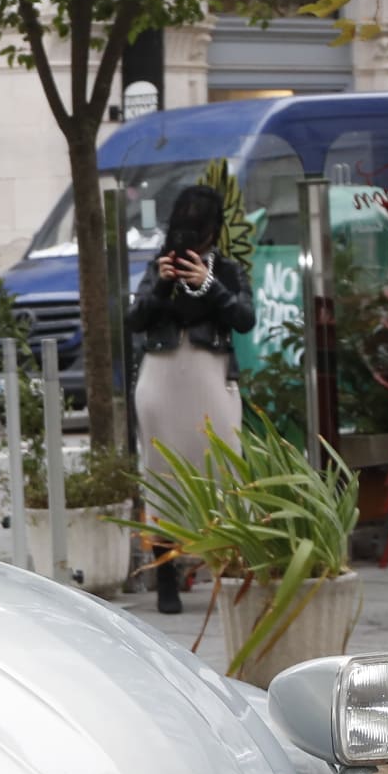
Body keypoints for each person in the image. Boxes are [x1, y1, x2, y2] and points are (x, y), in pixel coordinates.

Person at [127, 184, 255, 613]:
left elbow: (244, 319)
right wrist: (163, 286)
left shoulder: (228, 271)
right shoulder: (158, 267)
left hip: (210, 378)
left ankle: (228, 565)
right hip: (162, 382)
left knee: (223, 467)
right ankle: (167, 575)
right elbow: (136, 320)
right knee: (163, 474)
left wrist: (210, 284)